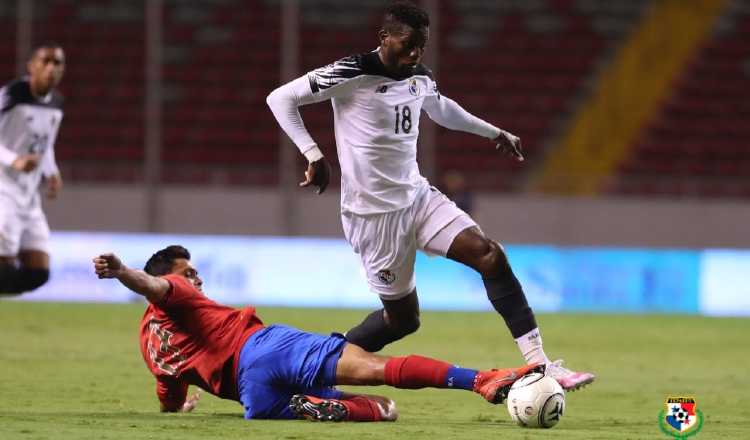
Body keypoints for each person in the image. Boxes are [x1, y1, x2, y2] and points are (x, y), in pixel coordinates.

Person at [266, 1, 594, 390]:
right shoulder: (353, 71)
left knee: (490, 255)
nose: (415, 53)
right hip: (374, 216)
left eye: (421, 45)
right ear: (384, 38)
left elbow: (441, 109)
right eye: (407, 44)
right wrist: (313, 153)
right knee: (403, 320)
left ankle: (541, 366)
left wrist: (494, 132)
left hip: (418, 198)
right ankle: (317, 366)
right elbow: (281, 98)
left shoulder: (419, 75)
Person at [92, 245, 541, 422]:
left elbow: (166, 395)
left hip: (254, 397)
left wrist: (180, 405)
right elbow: (152, 286)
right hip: (265, 348)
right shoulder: (176, 293)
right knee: (374, 369)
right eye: (189, 272)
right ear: (175, 280)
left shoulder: (151, 345)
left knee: (381, 411)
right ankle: (481, 380)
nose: (196, 278)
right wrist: (122, 273)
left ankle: (328, 406)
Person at [0, 42, 65, 296]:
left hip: (28, 196)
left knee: (39, 272)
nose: (51, 68)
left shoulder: (57, 104)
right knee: (3, 267)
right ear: (31, 67)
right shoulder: (13, 94)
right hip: (3, 188)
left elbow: (45, 146)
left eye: (57, 63)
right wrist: (12, 159)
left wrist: (52, 171)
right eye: (45, 61)